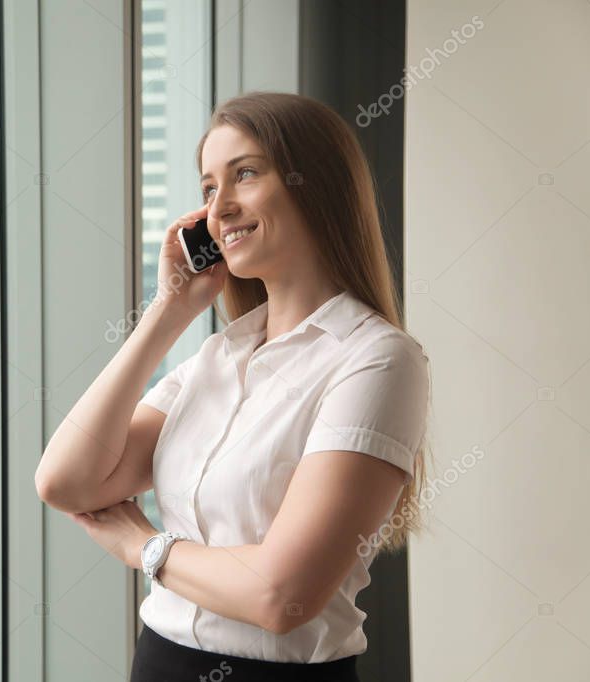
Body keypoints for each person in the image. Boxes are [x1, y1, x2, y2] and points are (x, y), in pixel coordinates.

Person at [35, 91, 433, 682]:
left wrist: (142, 546)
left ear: (315, 184)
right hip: (159, 662)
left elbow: (282, 596)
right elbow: (65, 482)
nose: (219, 208)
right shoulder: (217, 358)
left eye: (244, 174)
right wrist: (167, 314)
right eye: (206, 189)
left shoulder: (376, 360)